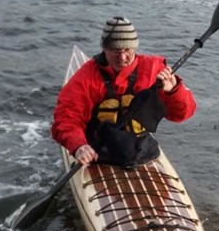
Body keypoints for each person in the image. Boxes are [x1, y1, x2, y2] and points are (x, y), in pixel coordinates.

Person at [51, 16, 196, 168]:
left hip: (143, 151)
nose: (122, 57)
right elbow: (66, 119)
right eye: (115, 51)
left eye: (127, 50)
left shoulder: (154, 70)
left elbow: (181, 115)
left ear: (135, 48)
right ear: (104, 49)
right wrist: (78, 146)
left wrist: (173, 91)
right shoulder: (85, 78)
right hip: (98, 152)